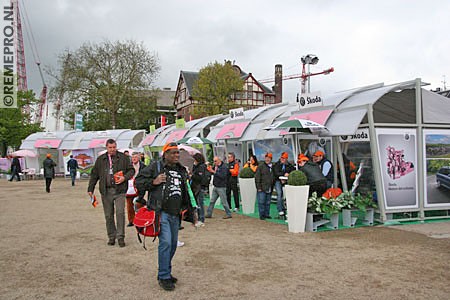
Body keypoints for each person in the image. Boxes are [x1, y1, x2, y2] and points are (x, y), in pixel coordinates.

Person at [135, 142, 192, 291]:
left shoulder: (181, 170)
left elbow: (185, 190)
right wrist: (153, 182)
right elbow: (139, 181)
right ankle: (164, 276)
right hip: (162, 212)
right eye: (172, 152)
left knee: (172, 245)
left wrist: (187, 209)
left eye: (177, 153)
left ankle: (165, 270)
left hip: (176, 213)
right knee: (166, 243)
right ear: (165, 154)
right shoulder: (156, 167)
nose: (176, 155)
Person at [87, 139, 135, 248]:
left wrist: (124, 178)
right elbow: (94, 175)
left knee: (120, 213)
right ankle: (111, 237)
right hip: (106, 191)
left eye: (114, 147)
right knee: (108, 215)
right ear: (106, 147)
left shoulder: (124, 157)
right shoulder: (101, 160)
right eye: (110, 147)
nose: (112, 149)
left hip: (120, 190)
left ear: (116, 146)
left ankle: (121, 237)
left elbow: (131, 170)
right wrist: (90, 188)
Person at [272, 152, 295, 218]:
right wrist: (284, 174)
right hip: (277, 181)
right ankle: (280, 210)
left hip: (285, 182)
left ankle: (286, 209)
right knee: (279, 193)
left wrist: (288, 175)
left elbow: (292, 171)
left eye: (284, 158)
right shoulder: (276, 164)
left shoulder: (289, 165)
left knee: (286, 195)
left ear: (286, 159)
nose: (282, 159)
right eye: (282, 158)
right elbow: (276, 173)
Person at [126, 152, 146, 227]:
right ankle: (131, 220)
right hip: (129, 187)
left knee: (139, 203)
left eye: (135, 157)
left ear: (139, 158)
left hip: (139, 186)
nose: (134, 158)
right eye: (133, 157)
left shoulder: (143, 166)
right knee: (129, 205)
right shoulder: (128, 166)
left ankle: (140, 219)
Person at [255, 152, 274, 220]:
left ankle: (266, 214)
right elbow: (257, 177)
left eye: (268, 158)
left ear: (271, 159)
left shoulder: (272, 166)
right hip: (262, 187)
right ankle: (262, 215)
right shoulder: (261, 166)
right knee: (261, 202)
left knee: (268, 202)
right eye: (266, 158)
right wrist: (258, 187)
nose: (267, 159)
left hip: (269, 187)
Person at [190, 152, 208, 226]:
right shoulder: (198, 166)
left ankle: (201, 219)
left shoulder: (202, 167)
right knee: (197, 203)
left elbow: (199, 177)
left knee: (200, 203)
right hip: (196, 187)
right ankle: (199, 219)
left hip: (199, 187)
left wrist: (192, 176)